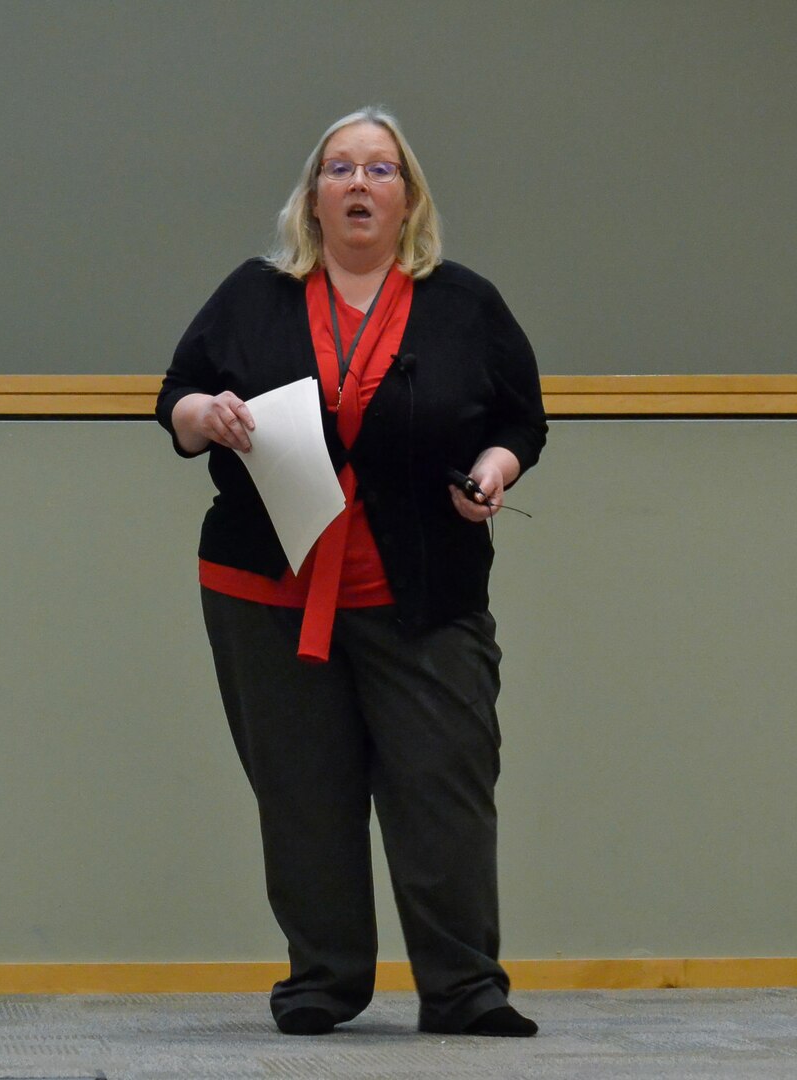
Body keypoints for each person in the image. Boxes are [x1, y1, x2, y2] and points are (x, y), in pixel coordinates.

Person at [156, 107, 547, 1038]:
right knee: (302, 794)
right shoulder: (254, 296)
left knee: (444, 789)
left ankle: (463, 990)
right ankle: (323, 984)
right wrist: (206, 414)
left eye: (380, 169)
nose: (360, 184)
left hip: (426, 593)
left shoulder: (465, 303)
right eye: (341, 168)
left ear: (408, 197)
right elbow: (176, 399)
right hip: (268, 591)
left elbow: (520, 421)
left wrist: (494, 471)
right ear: (314, 197)